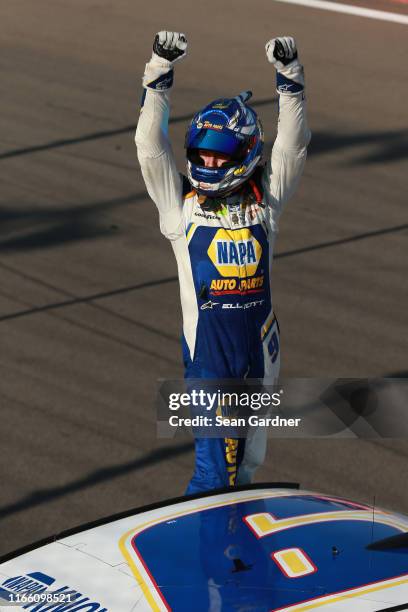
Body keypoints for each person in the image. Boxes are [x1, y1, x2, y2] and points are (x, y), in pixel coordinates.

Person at [135, 31, 310, 494]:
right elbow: (150, 147)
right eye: (201, 152)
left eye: (220, 153)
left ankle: (235, 558)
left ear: (245, 154)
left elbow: (292, 148)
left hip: (262, 352)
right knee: (214, 476)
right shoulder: (180, 209)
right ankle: (205, 561)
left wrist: (290, 79)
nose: (208, 161)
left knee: (247, 471)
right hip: (209, 361)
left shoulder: (264, 205)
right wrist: (158, 71)